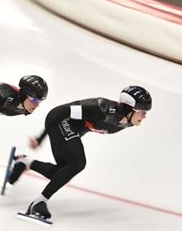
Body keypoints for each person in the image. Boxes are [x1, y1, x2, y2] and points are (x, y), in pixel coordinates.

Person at [9, 86, 152, 220]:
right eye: (143, 112)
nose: (144, 116)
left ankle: (25, 162)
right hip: (60, 121)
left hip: (70, 130)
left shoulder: (128, 121)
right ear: (131, 109)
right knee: (78, 163)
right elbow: (61, 111)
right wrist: (41, 137)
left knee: (61, 173)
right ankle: (39, 203)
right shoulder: (102, 108)